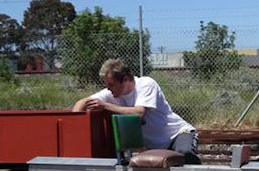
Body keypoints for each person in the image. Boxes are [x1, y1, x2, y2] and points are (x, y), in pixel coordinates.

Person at [72, 59, 200, 163]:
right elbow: (82, 102)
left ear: (126, 79)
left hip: (178, 135)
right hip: (154, 147)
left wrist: (106, 106)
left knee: (185, 154)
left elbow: (139, 113)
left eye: (111, 84)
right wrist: (73, 131)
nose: (108, 89)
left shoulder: (146, 84)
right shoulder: (110, 93)